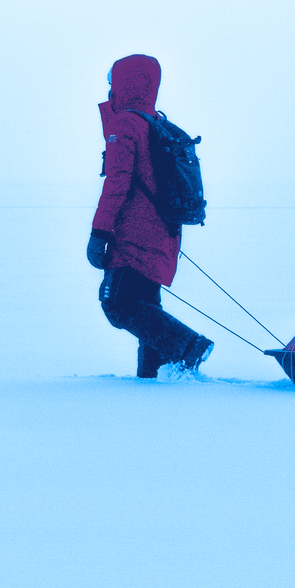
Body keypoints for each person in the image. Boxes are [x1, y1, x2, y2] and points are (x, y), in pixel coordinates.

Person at [87, 53, 214, 380]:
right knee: (145, 305)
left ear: (125, 83)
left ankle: (189, 346)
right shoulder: (153, 121)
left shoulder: (126, 124)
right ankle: (150, 378)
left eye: (112, 80)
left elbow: (118, 184)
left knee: (118, 305)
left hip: (133, 235)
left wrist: (98, 234)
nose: (109, 87)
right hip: (162, 233)